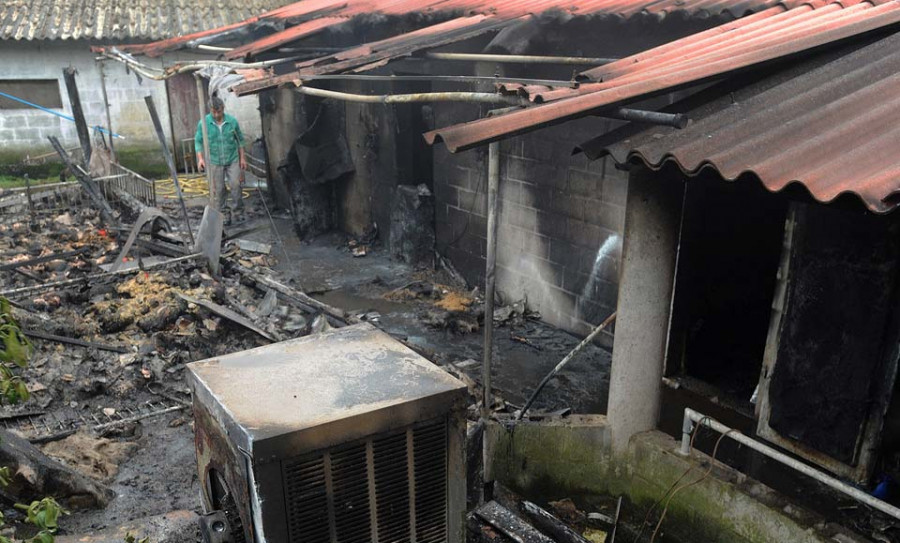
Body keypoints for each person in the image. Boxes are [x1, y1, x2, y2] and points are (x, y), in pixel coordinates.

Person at [195, 96, 246, 222]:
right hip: (214, 161)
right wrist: (200, 159)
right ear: (210, 110)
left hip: (232, 158)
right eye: (214, 112)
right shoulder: (204, 123)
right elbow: (198, 141)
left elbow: (240, 140)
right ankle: (223, 214)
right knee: (219, 189)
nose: (217, 114)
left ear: (223, 108)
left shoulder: (232, 122)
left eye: (219, 111)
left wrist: (242, 158)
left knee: (236, 185)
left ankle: (238, 212)